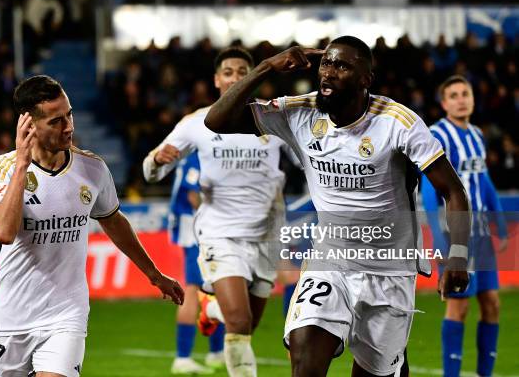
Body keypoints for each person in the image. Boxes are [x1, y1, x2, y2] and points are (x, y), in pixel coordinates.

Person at [204, 36, 470, 377]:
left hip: (389, 270)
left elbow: (453, 191)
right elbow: (217, 121)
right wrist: (267, 66)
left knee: (377, 372)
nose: (328, 72)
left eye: (342, 65)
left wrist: (459, 256)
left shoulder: (397, 122)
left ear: (365, 79)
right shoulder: (299, 112)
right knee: (305, 358)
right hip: (330, 261)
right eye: (326, 64)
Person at [0, 75, 183, 377]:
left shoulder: (92, 168)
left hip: (66, 314)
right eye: (56, 121)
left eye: (69, 115)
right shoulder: (1, 171)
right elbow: (4, 232)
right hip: (10, 320)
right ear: (29, 126)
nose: (69, 126)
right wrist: (22, 164)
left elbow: (113, 220)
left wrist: (153, 274)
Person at [143, 47, 291, 377]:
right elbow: (149, 172)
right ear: (216, 80)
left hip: (266, 236)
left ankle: (211, 307)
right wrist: (156, 161)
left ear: (254, 78)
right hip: (219, 233)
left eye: (243, 72)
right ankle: (216, 311)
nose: (235, 78)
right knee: (238, 321)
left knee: (246, 327)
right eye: (228, 72)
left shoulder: (276, 119)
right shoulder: (196, 123)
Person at [421, 75, 507, 377]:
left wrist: (500, 222)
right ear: (444, 103)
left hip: (482, 237)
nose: (461, 99)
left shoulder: (476, 134)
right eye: (454, 95)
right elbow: (430, 189)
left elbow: (483, 180)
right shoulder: (437, 135)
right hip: (457, 235)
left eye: (465, 93)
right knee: (458, 307)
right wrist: (441, 239)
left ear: (472, 98)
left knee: (492, 303)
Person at [168, 150, 226, 374]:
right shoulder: (198, 156)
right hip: (196, 230)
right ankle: (182, 358)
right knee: (193, 290)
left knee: (218, 287)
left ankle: (216, 352)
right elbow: (194, 197)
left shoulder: (197, 154)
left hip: (197, 229)